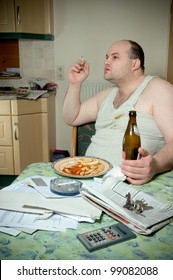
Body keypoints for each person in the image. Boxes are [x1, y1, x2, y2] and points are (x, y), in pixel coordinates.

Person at [63, 39, 173, 185]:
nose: (107, 62)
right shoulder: (106, 95)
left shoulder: (159, 89)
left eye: (115, 57)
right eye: (107, 57)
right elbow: (72, 117)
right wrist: (75, 84)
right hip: (88, 178)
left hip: (130, 183)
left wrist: (155, 165)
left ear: (135, 64)